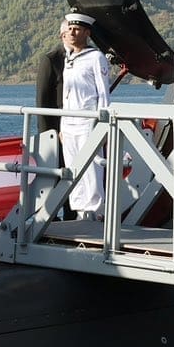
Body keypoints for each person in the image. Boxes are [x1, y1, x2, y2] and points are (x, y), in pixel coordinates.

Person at [58, 11, 110, 216]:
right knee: (72, 168)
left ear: (86, 33)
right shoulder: (69, 58)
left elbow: (103, 94)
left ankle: (96, 211)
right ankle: (80, 210)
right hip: (69, 122)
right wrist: (62, 125)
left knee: (92, 169)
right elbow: (66, 95)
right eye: (70, 28)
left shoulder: (96, 57)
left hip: (88, 121)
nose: (72, 32)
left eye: (77, 29)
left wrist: (103, 124)